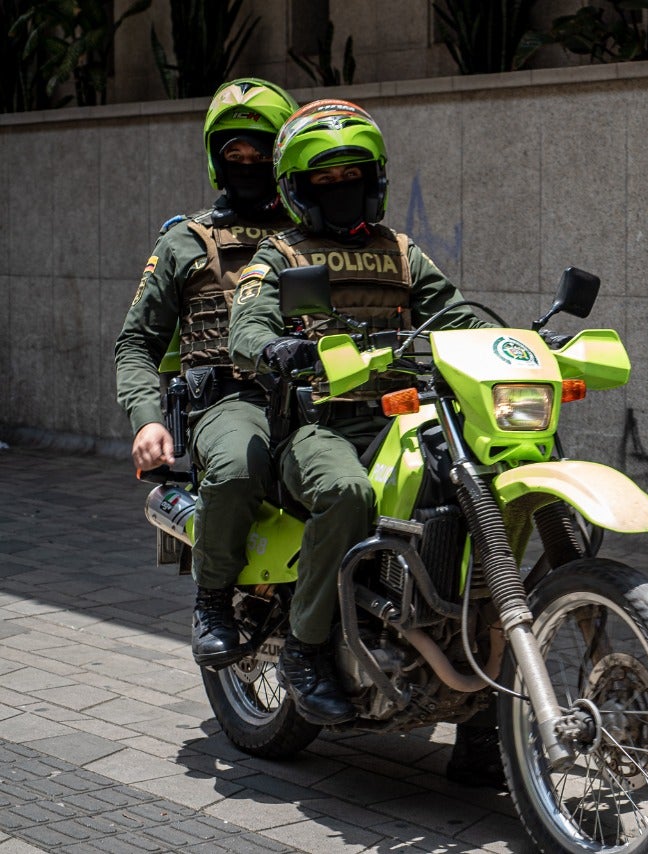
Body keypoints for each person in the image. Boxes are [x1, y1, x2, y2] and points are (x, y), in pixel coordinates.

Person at [228, 100, 489, 735]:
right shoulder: (282, 256)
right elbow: (247, 326)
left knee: (479, 488)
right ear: (298, 189)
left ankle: (486, 702)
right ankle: (305, 648)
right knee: (344, 492)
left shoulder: (402, 254)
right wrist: (275, 346)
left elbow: (458, 316)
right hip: (319, 426)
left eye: (353, 175)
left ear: (374, 181)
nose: (342, 189)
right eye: (325, 179)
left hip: (405, 417)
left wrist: (519, 346)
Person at [115, 77, 299, 669]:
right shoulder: (185, 240)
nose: (247, 162)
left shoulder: (319, 234)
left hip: (321, 397)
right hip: (228, 399)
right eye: (234, 152)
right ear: (216, 158)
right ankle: (214, 598)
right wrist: (146, 421)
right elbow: (136, 341)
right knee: (241, 466)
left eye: (260, 151)